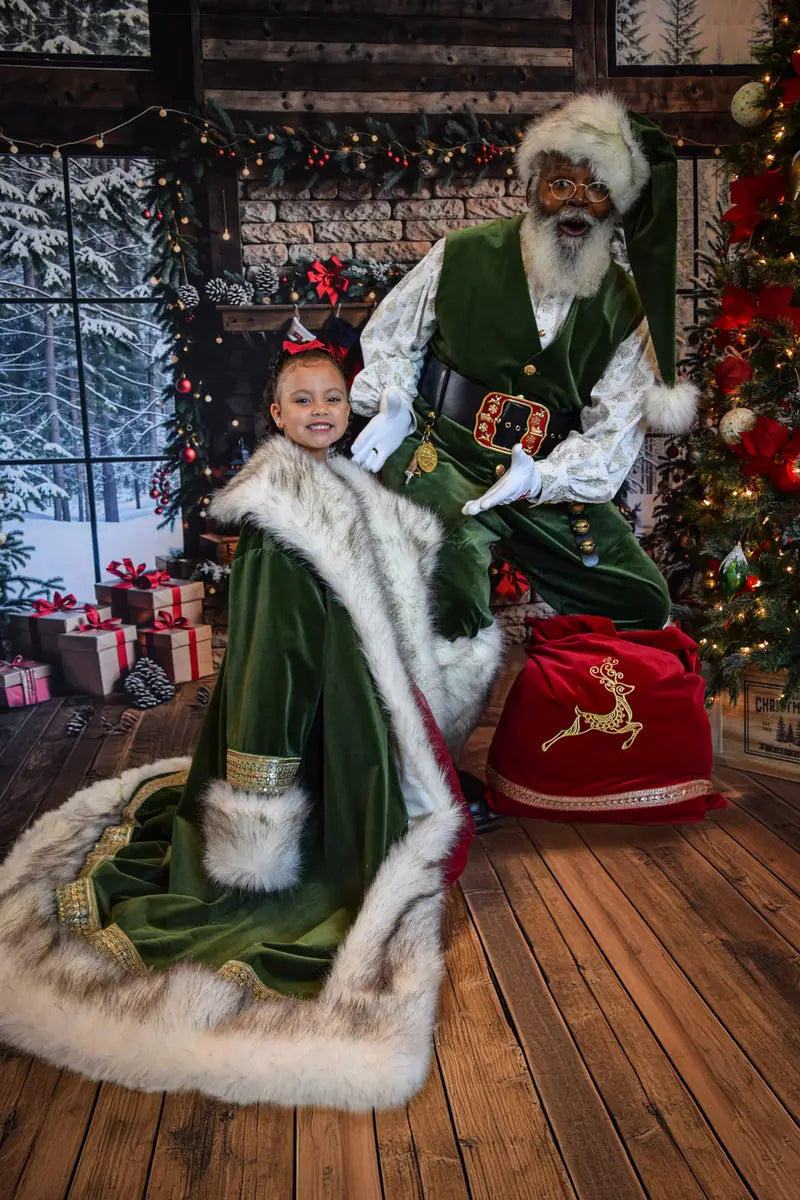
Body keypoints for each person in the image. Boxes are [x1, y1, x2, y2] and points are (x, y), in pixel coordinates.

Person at [0, 346, 497, 1112]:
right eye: (303, 401)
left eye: (333, 398)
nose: (321, 412)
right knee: (331, 857)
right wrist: (261, 794)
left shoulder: (346, 486)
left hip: (357, 699)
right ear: (276, 414)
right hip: (310, 718)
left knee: (376, 813)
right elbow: (271, 661)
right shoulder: (280, 524)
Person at [351, 92, 698, 646]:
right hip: (442, 451)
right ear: (533, 185)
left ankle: (589, 710)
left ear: (617, 204)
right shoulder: (460, 254)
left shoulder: (626, 304)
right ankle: (429, 715)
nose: (576, 204)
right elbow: (393, 337)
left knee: (638, 598)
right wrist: (391, 407)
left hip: (541, 472)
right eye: (561, 183)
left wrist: (543, 478)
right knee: (451, 584)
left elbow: (613, 428)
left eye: (598, 190)